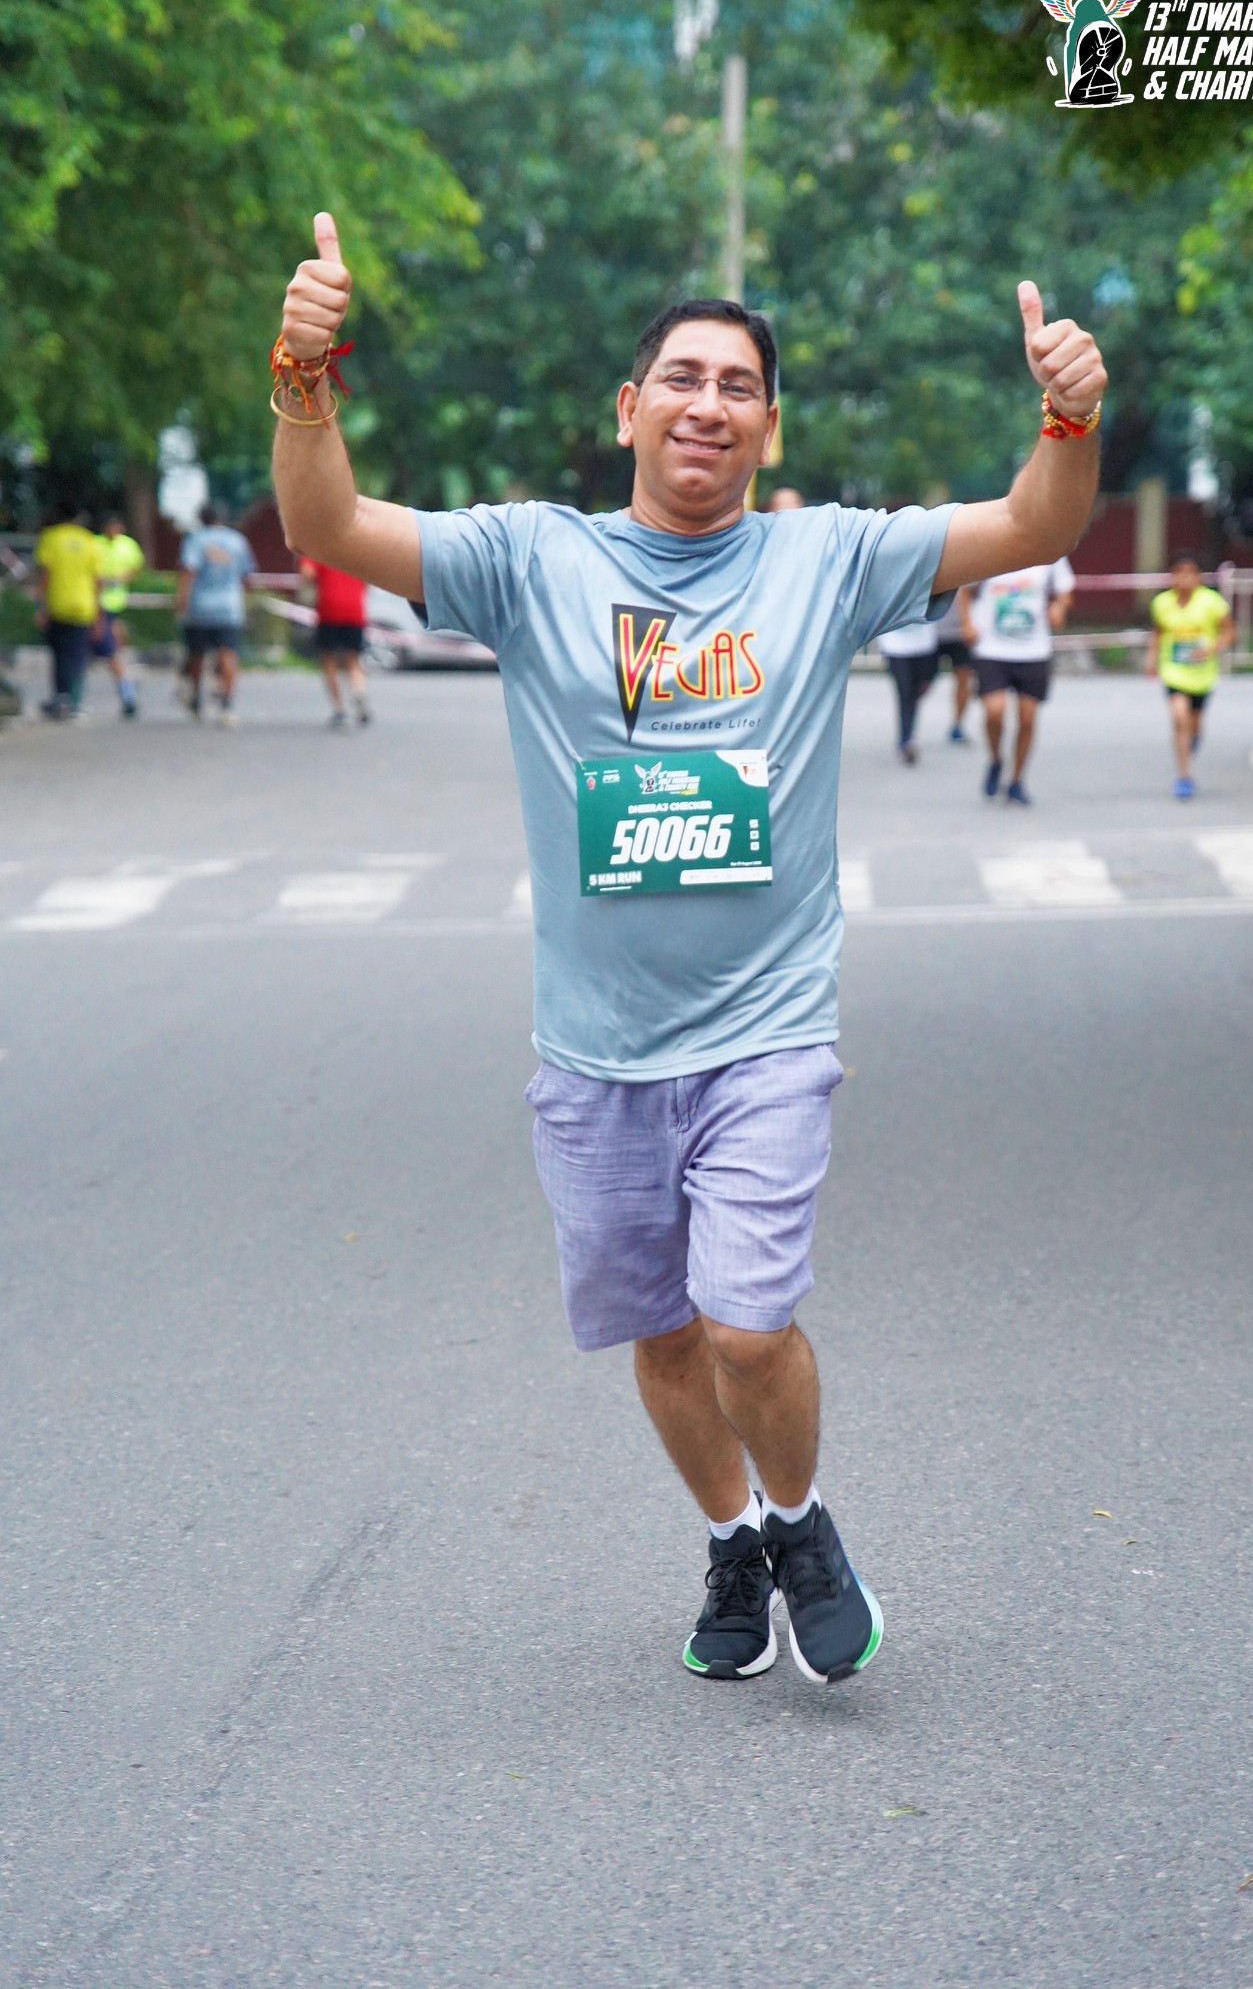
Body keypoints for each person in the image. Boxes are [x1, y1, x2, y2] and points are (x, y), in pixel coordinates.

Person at [273, 212, 1107, 1684]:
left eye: (737, 386)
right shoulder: (531, 559)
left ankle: (799, 1519)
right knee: (660, 1336)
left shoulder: (825, 559)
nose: (707, 403)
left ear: (768, 428)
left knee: (745, 1325)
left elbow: (1034, 528)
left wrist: (1068, 417)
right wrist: (301, 375)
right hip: (592, 1049)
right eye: (681, 377)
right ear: (628, 409)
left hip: (765, 1030)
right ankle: (735, 1540)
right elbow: (328, 528)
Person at [961, 556, 1075, 804]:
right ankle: (996, 759)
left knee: (1027, 718)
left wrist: (1058, 608)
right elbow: (965, 588)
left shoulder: (1049, 552)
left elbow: (1065, 590)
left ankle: (1016, 780)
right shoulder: (993, 546)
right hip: (992, 647)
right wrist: (967, 622)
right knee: (994, 711)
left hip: (1033, 650)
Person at [1146, 551, 1235, 800]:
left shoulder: (1212, 603)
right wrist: (1151, 656)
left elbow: (1229, 632)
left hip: (1202, 674)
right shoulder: (1162, 603)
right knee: (1179, 716)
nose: (1184, 579)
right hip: (1174, 671)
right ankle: (1184, 775)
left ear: (1199, 577)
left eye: (1189, 573)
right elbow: (1158, 632)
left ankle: (1191, 742)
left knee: (1194, 723)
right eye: (1179, 573)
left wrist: (1211, 649)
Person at [178, 505, 257, 725]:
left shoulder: (195, 540)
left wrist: (182, 601)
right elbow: (247, 576)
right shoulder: (237, 541)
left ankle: (196, 695)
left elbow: (189, 572)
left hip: (200, 606)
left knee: (197, 654)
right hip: (230, 607)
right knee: (228, 655)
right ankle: (227, 704)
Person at [33, 503, 103, 720]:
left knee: (59, 654)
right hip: (83, 606)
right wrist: (98, 614)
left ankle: (60, 697)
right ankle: (74, 701)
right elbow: (97, 580)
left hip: (57, 604)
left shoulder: (51, 537)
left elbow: (45, 574)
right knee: (77, 655)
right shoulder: (90, 541)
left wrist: (40, 606)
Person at [298, 555, 371, 727]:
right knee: (353, 660)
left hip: (329, 610)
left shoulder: (319, 550)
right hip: (355, 609)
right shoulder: (357, 549)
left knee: (329, 660)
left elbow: (307, 573)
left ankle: (339, 710)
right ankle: (358, 691)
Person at [94, 513, 144, 718]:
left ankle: (127, 690)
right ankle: (127, 687)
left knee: (111, 650)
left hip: (114, 601)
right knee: (109, 649)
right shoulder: (95, 544)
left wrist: (121, 579)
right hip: (93, 603)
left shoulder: (128, 545)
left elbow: (136, 568)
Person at [879, 613, 938, 763]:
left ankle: (908, 732)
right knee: (905, 692)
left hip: (925, 644)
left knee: (919, 689)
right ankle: (907, 739)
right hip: (895, 646)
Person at [935, 594, 975, 743]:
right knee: (921, 683)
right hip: (930, 632)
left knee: (964, 678)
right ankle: (909, 726)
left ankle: (958, 724)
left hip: (960, 632)